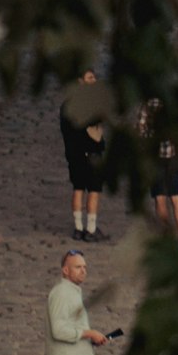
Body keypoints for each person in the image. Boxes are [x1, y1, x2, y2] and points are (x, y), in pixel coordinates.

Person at [59, 69, 116, 242]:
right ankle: (91, 229)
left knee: (78, 189)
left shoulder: (66, 105)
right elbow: (97, 126)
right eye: (90, 77)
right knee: (93, 190)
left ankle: (78, 228)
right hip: (91, 153)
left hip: (73, 153)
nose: (94, 80)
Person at [46, 251, 111, 355]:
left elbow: (72, 328)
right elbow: (59, 330)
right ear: (65, 270)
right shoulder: (62, 293)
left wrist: (91, 339)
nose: (83, 271)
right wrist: (89, 333)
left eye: (84, 267)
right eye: (78, 267)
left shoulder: (71, 292)